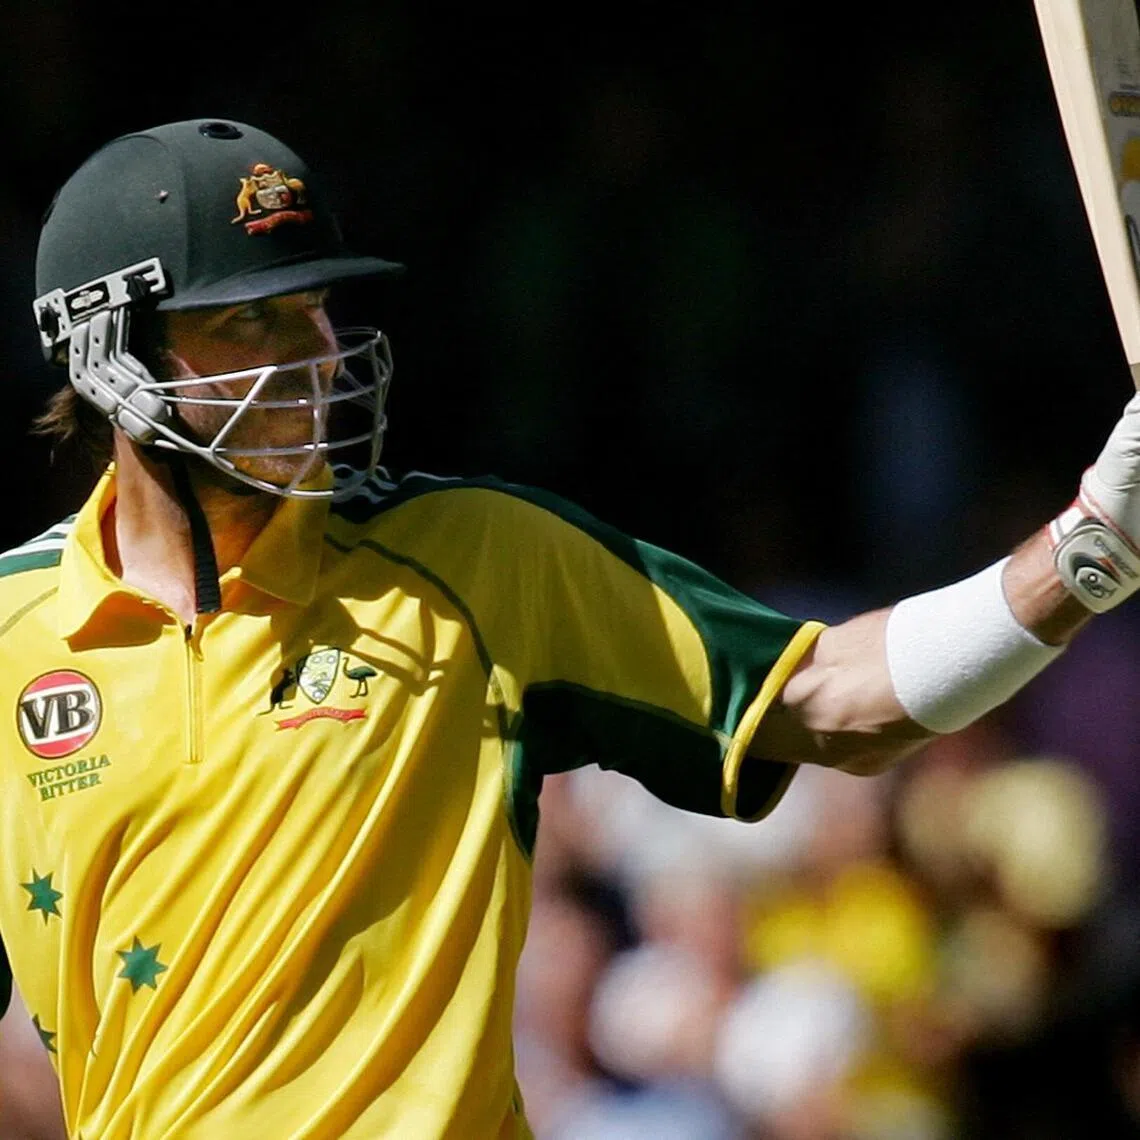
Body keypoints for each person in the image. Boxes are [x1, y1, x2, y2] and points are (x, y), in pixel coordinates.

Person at [0, 116, 1137, 1140]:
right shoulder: (11, 627)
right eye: (254, 320)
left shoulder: (473, 560)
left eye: (319, 312)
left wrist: (1091, 550)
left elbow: (830, 700)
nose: (320, 355)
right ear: (108, 355)